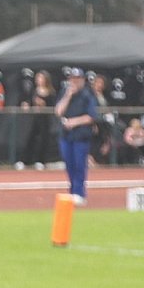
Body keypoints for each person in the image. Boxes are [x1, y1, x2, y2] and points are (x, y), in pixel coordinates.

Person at [54, 66, 98, 206]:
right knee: (69, 164)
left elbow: (91, 116)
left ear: (83, 80)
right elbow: (58, 111)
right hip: (66, 135)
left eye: (78, 79)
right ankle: (72, 191)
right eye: (73, 79)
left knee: (80, 164)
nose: (75, 81)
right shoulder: (64, 92)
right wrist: (68, 95)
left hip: (81, 135)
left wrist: (74, 122)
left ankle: (79, 193)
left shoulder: (88, 94)